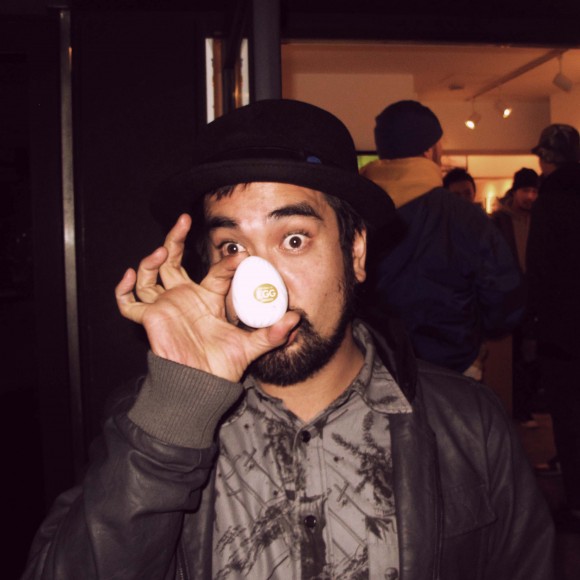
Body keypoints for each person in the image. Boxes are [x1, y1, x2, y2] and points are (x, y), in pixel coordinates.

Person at [23, 99, 553, 578]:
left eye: (294, 239)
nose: (265, 286)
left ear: (356, 252)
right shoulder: (153, 421)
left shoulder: (468, 425)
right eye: (232, 247)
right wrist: (175, 417)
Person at [360, 100, 524, 381]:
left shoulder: (357, 211)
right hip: (454, 365)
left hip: (377, 366)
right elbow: (504, 295)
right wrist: (479, 334)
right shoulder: (464, 216)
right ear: (429, 150)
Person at [527, 123, 580, 533]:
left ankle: (576, 504)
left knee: (569, 417)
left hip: (563, 330)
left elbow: (540, 269)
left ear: (546, 160)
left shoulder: (550, 201)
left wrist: (535, 322)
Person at [491, 168, 540, 428]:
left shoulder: (540, 218)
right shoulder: (500, 220)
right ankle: (516, 409)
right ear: (515, 191)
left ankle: (524, 408)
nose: (530, 196)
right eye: (526, 190)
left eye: (534, 191)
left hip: (533, 293)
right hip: (510, 293)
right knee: (514, 354)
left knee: (530, 352)